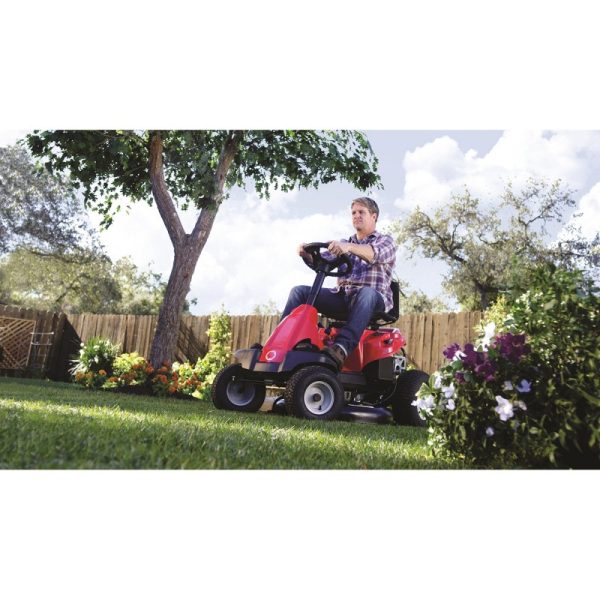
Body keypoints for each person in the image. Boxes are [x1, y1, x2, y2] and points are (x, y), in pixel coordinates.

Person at [280, 197, 397, 368]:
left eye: (361, 212)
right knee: (299, 292)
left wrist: (349, 247)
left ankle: (341, 348)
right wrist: (307, 254)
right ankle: (282, 344)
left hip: (373, 300)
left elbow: (374, 254)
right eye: (353, 213)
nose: (356, 215)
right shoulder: (342, 244)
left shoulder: (385, 241)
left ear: (374, 216)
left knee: (366, 293)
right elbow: (321, 261)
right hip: (342, 297)